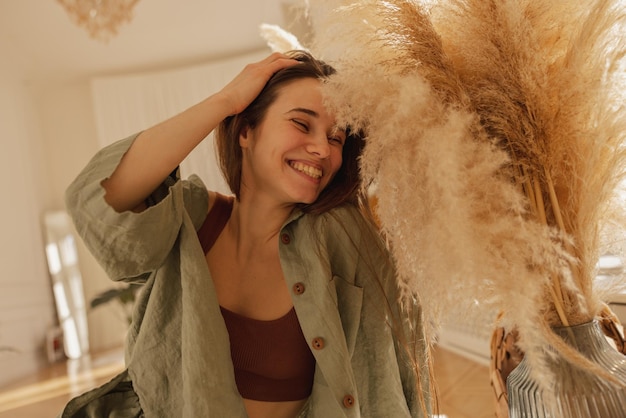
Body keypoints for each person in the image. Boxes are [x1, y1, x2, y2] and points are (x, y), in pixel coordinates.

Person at [59, 50, 431, 418]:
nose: (322, 148)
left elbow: (388, 373)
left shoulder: (340, 235)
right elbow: (99, 204)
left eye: (336, 138)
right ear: (247, 131)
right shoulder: (190, 217)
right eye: (302, 124)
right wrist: (225, 101)